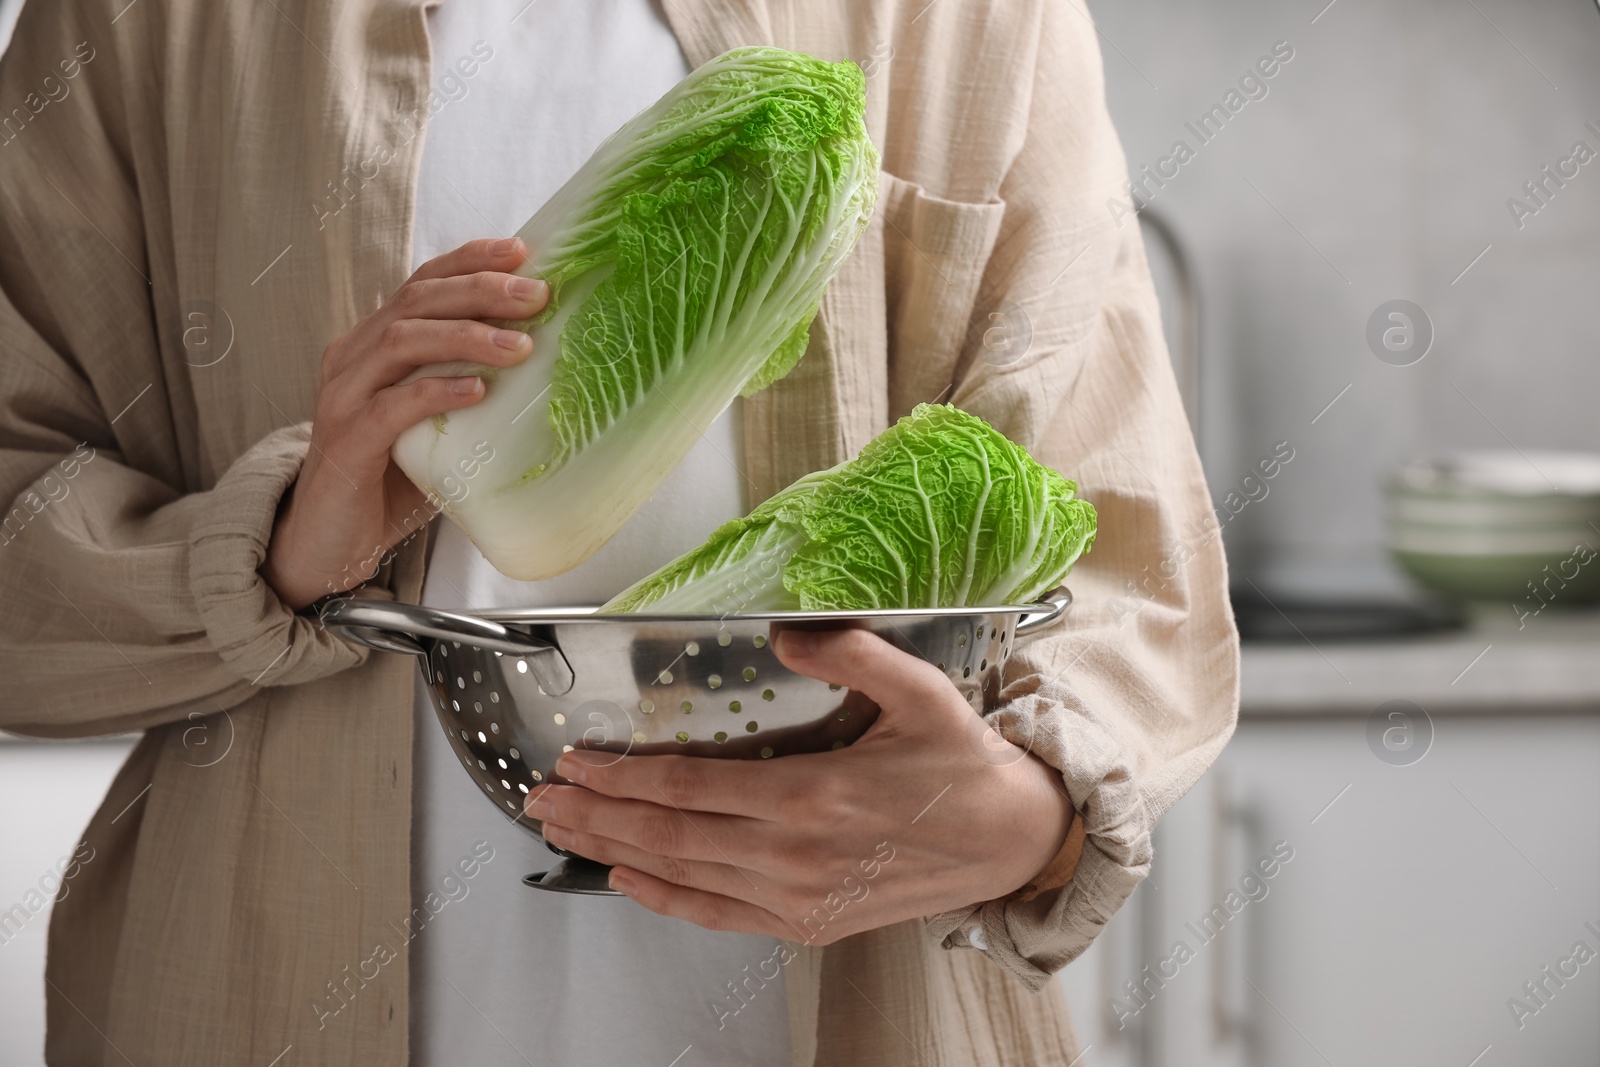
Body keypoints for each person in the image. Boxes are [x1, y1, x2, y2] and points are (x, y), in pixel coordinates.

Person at [0, 0, 1238, 1063]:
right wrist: (271, 552)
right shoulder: (152, 21)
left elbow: (1127, 546)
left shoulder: (969, 17)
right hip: (257, 992)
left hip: (866, 1000)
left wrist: (1028, 817)